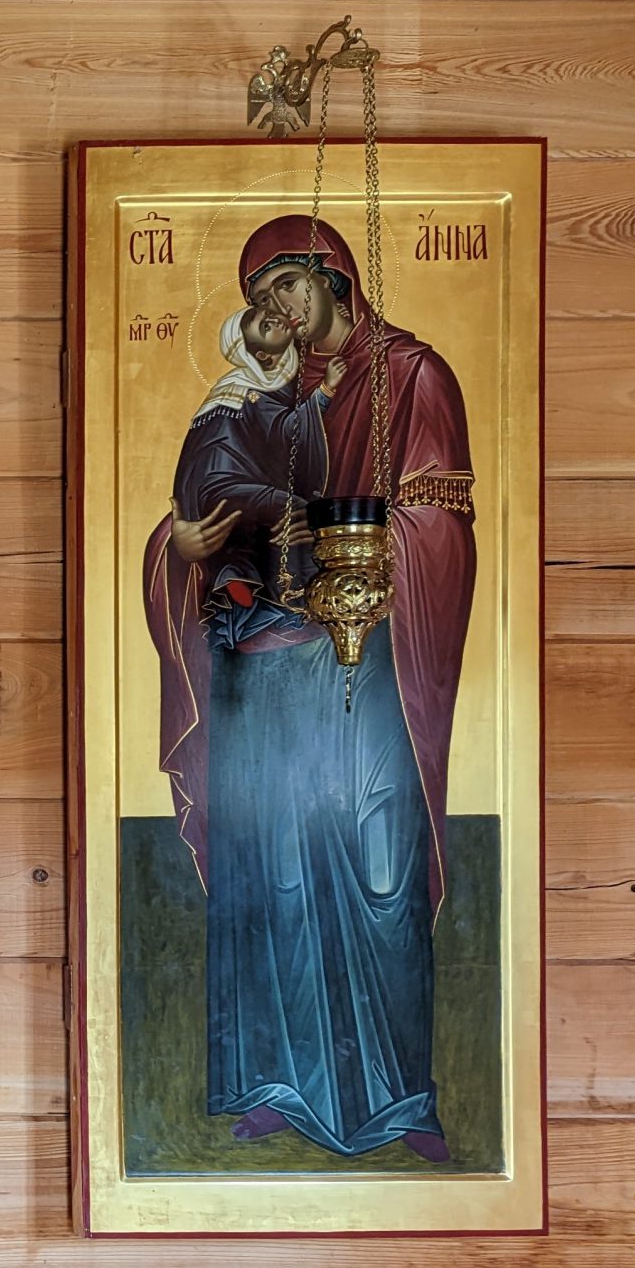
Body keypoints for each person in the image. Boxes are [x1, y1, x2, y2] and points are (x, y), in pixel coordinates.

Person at [143, 214, 475, 1162]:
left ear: (334, 277)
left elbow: (442, 526)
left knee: (380, 869)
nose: (278, 309)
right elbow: (206, 507)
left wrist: (348, 544)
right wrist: (181, 544)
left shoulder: (412, 375)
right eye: (259, 299)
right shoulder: (265, 396)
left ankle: (400, 1099)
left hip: (368, 673)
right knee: (272, 874)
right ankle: (276, 1083)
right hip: (268, 679)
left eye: (287, 285)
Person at [170, 302, 344, 618]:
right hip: (221, 485)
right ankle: (296, 597)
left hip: (234, 484)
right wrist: (325, 392)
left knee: (251, 534)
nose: (274, 318)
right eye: (265, 326)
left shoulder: (278, 377)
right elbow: (285, 429)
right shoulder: (247, 387)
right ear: (260, 356)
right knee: (292, 509)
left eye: (269, 314)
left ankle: (238, 581)